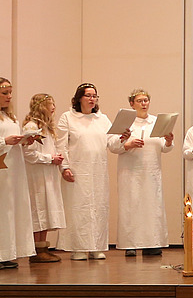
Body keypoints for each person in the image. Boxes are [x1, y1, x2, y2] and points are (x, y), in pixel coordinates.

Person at [107, 89, 174, 256]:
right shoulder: (125, 121)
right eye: (139, 101)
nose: (144, 103)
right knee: (131, 206)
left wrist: (169, 141)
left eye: (146, 100)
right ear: (132, 104)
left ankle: (153, 242)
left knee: (152, 206)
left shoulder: (156, 121)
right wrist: (128, 144)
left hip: (151, 172)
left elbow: (164, 148)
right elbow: (112, 145)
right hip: (131, 172)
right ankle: (130, 244)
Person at [56, 83, 111, 260]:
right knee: (79, 207)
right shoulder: (68, 117)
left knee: (98, 207)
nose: (92, 99)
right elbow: (61, 144)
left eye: (94, 96)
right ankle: (78, 247)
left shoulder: (102, 119)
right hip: (78, 170)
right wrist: (64, 167)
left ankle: (96, 246)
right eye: (88, 95)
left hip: (98, 170)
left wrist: (124, 139)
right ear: (79, 98)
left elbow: (113, 142)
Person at [22, 93, 65, 263]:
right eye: (50, 104)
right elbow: (29, 154)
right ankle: (36, 248)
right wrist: (49, 159)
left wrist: (56, 157)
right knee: (38, 207)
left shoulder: (47, 127)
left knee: (46, 208)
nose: (53, 108)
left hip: (47, 173)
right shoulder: (32, 127)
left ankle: (43, 247)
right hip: (37, 174)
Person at [0, 78, 35, 269]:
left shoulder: (10, 117)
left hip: (14, 168)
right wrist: (5, 141)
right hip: (1, 169)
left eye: (10, 93)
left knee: (12, 209)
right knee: (2, 210)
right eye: (5, 93)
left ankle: (8, 251)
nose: (9, 97)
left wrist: (24, 141)